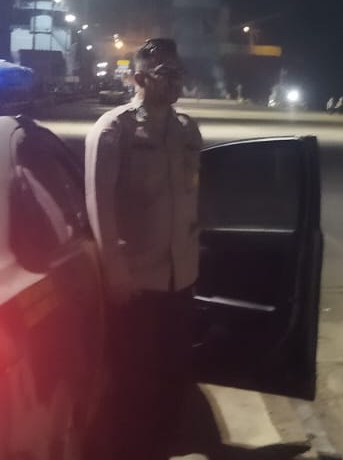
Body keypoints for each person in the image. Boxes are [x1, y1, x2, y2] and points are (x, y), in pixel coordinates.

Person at [85, 37, 203, 460]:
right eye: (166, 74)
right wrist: (115, 273)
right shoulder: (114, 130)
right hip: (137, 283)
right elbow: (99, 205)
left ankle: (164, 446)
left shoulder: (187, 130)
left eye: (179, 73)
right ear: (139, 78)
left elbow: (193, 195)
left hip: (180, 277)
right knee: (134, 380)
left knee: (174, 375)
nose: (176, 82)